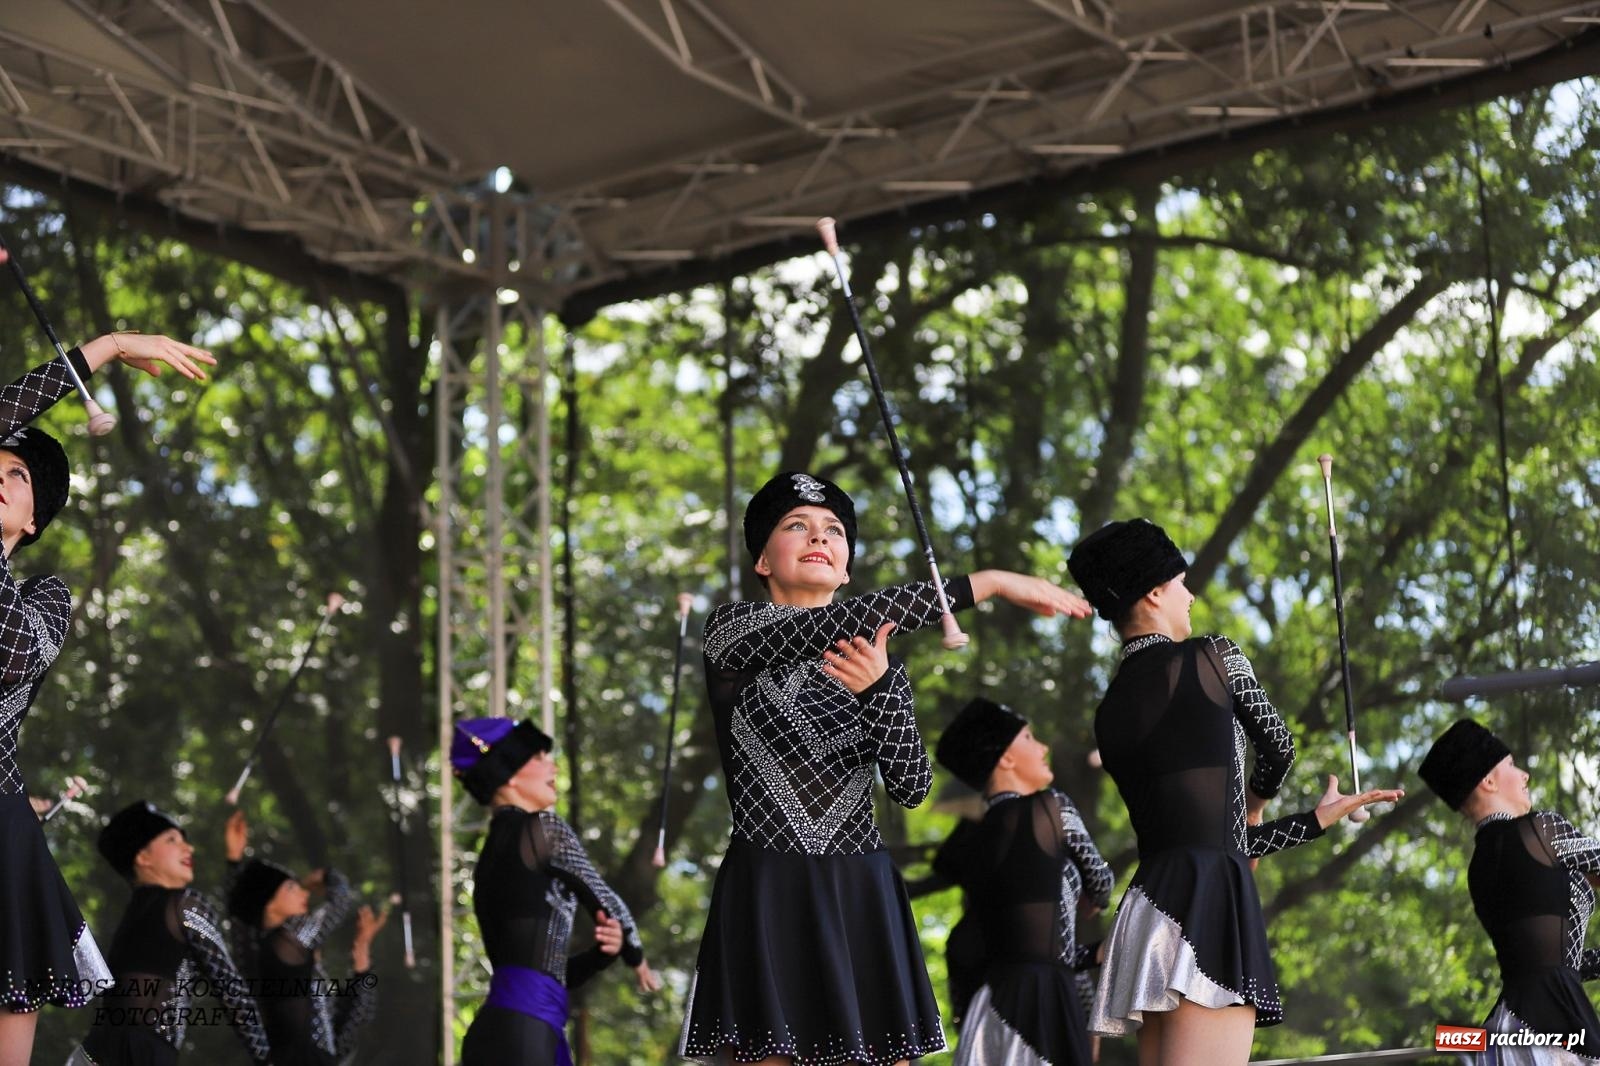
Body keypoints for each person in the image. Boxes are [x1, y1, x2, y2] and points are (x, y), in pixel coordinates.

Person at [679, 470, 1093, 1066]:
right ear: (763, 560)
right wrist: (991, 583)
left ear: (846, 568)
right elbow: (835, 624)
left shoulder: (877, 660)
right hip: (771, 886)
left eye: (834, 531)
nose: (819, 537)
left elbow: (911, 786)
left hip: (862, 889)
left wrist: (881, 692)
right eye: (796, 526)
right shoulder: (732, 632)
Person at [1066, 518, 1402, 1066]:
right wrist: (1258, 803)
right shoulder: (1213, 656)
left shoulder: (1109, 711)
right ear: (1153, 593)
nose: (1190, 596)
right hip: (1209, 909)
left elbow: (1205, 836)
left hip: (1148, 907)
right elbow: (1280, 749)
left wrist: (1314, 820)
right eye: (1181, 583)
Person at [0, 305, 215, 1066]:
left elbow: (9, 653)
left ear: (34, 519)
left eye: (16, 476)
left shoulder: (44, 598)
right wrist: (112, 347)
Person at [451, 716, 659, 1066]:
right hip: (525, 1034)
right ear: (509, 774)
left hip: (502, 1031)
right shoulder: (542, 829)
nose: (554, 766)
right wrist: (635, 954)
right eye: (538, 757)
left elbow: (538, 973)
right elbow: (604, 898)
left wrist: (600, 956)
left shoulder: (488, 859)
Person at [934, 696, 1115, 1066]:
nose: (1043, 747)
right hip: (1045, 1008)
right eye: (1030, 737)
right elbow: (1102, 884)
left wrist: (1090, 955)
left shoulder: (971, 844)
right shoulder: (1049, 808)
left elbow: (1009, 944)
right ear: (1006, 758)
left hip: (987, 1012)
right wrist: (1094, 899)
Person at [1419, 719, 1600, 1063]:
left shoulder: (1479, 868)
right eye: (1513, 765)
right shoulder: (1540, 831)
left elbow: (1552, 964)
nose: (1524, 775)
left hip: (1507, 1034)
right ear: (1488, 782)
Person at [68, 802, 271, 1065]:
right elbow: (231, 989)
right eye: (172, 839)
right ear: (143, 857)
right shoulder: (183, 905)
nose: (189, 848)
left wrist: (234, 861)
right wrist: (268, 1059)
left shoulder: (137, 915)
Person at [225, 810, 380, 1066]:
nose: (303, 892)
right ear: (268, 905)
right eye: (291, 887)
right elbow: (339, 901)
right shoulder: (286, 940)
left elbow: (350, 1030)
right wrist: (327, 876)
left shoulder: (276, 956)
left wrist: (362, 960)